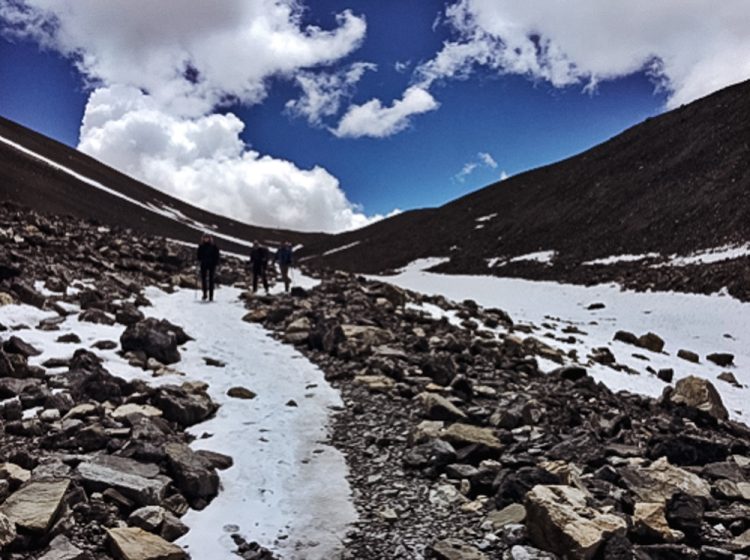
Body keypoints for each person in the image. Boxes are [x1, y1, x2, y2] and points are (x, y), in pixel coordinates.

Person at [196, 234, 220, 301]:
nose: (206, 239)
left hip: (211, 265)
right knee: (203, 279)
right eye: (205, 238)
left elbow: (217, 256)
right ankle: (204, 294)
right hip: (203, 264)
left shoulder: (214, 246)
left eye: (207, 238)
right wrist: (199, 260)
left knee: (211, 280)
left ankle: (211, 296)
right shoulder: (201, 246)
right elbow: (198, 255)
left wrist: (216, 263)